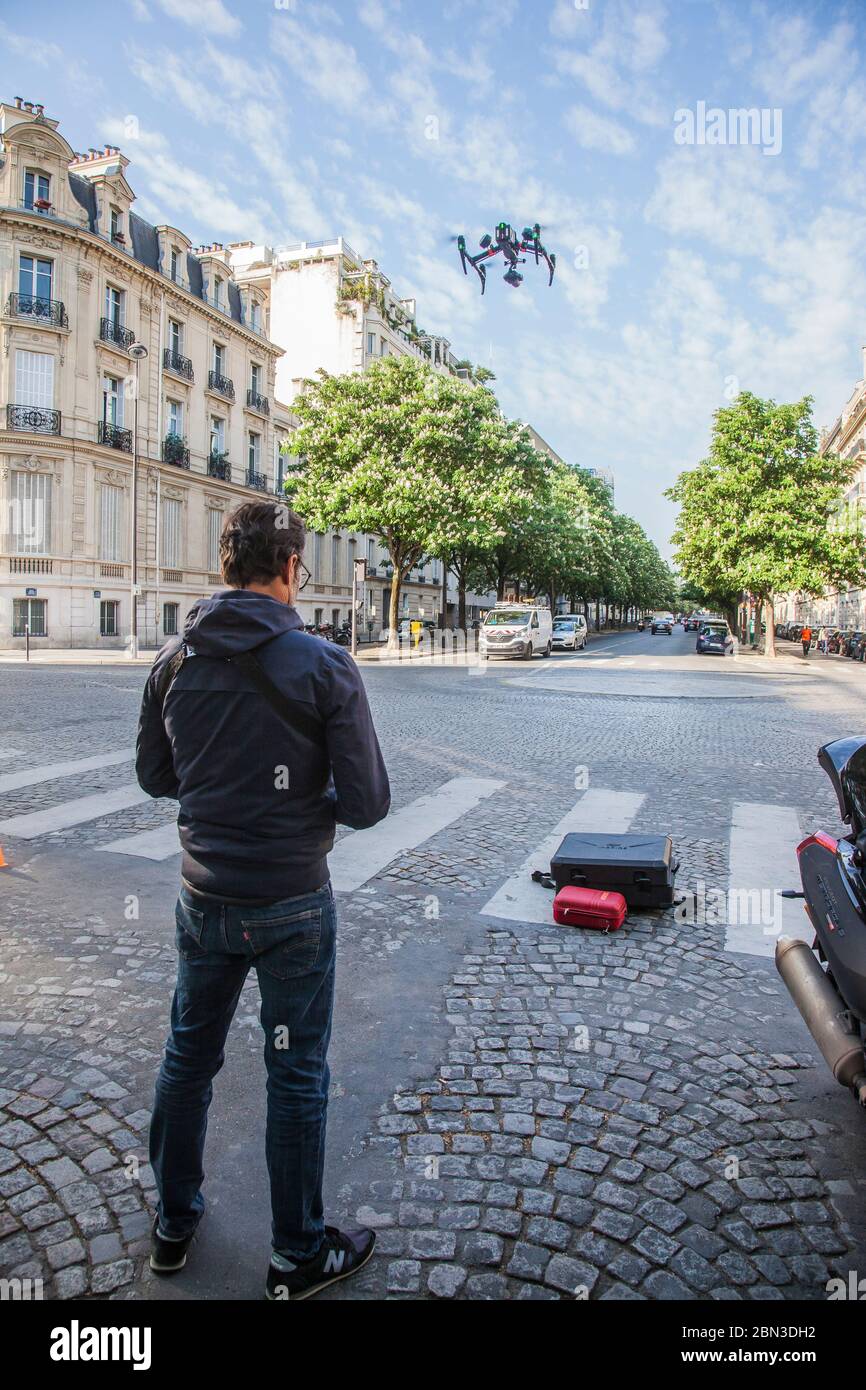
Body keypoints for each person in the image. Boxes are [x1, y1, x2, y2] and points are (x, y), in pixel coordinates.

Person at [136, 499, 391, 1301]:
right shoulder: (323, 664)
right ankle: (295, 1255)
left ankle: (173, 1224)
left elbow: (155, 777)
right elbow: (368, 803)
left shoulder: (174, 660)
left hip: (204, 897)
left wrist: (219, 787)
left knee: (188, 1059)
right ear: (289, 569)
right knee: (296, 1074)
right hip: (290, 904)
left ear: (224, 567)